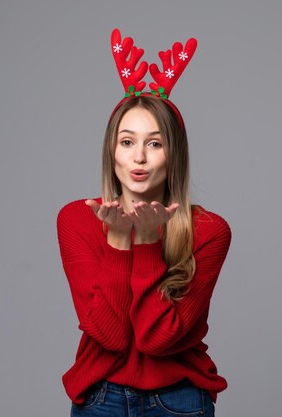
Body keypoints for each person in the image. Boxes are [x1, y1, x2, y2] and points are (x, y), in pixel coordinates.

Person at [57, 29, 231, 417]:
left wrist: (148, 242)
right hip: (100, 398)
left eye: (154, 143)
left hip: (180, 399)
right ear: (112, 152)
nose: (139, 157)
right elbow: (111, 336)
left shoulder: (209, 231)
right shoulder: (76, 220)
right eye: (127, 141)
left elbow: (157, 340)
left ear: (173, 155)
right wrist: (119, 242)